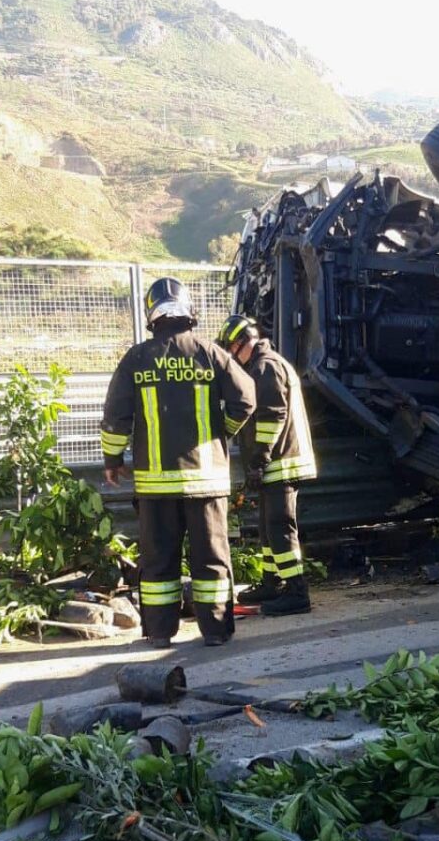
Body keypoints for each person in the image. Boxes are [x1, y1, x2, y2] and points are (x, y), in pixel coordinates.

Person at [99, 277, 255, 648]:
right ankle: (215, 631)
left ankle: (159, 632)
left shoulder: (136, 358)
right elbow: (245, 398)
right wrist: (223, 433)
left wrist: (112, 458)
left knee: (158, 563)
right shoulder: (210, 354)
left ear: (151, 314)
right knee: (211, 560)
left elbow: (115, 416)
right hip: (206, 483)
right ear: (189, 311)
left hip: (156, 487)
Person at [218, 313, 318, 616]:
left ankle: (297, 592)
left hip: (281, 462)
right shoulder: (263, 364)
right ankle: (272, 582)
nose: (232, 357)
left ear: (241, 343)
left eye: (231, 350)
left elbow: (273, 414)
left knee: (279, 526)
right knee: (266, 527)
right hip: (275, 462)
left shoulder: (265, 366)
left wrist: (260, 458)